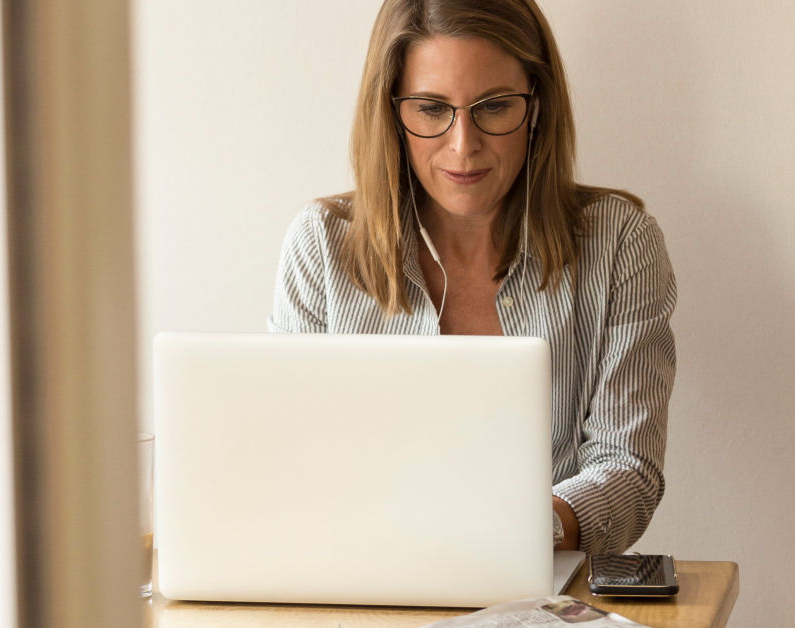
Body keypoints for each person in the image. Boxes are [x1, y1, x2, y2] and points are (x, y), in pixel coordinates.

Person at [267, 0, 676, 556]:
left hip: (540, 589)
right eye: (433, 109)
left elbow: (629, 468)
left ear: (536, 106)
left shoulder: (620, 243)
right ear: (391, 113)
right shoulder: (320, 246)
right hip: (362, 583)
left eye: (494, 107)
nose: (464, 145)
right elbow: (289, 461)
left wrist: (526, 533)